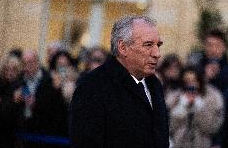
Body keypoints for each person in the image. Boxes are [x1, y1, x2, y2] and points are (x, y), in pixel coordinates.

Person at [70, 16, 169, 148]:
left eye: (158, 45)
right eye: (148, 45)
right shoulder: (92, 87)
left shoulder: (154, 84)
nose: (157, 53)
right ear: (123, 47)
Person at [169, 67, 224, 148]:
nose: (191, 84)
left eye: (194, 80)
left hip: (203, 144)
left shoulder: (212, 97)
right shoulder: (174, 97)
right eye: (187, 81)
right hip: (179, 144)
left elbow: (212, 128)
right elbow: (169, 127)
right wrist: (182, 107)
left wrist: (199, 107)